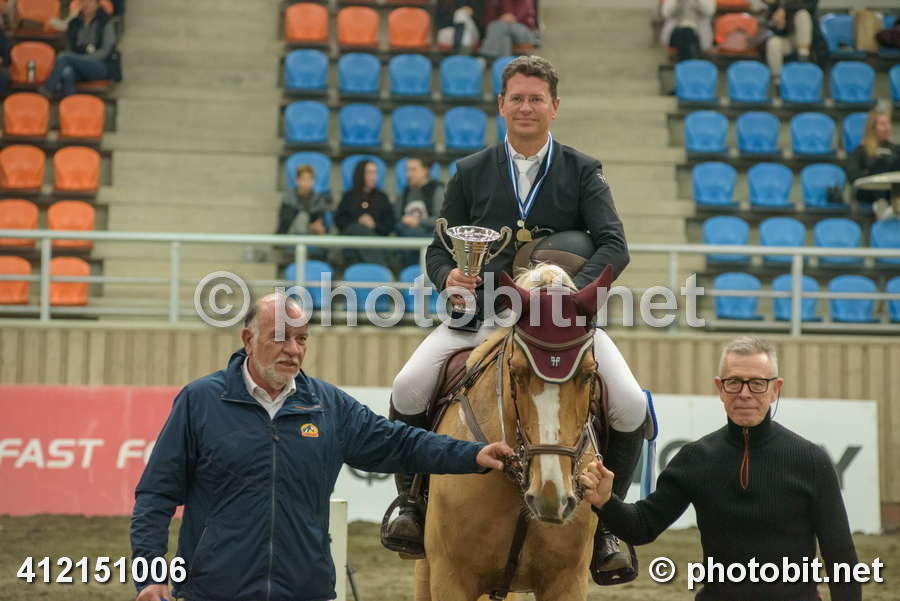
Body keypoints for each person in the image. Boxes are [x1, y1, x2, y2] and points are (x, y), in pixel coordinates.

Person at [384, 55, 648, 584]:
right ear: (502, 105)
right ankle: (411, 504)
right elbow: (437, 249)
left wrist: (569, 295)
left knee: (630, 404)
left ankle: (606, 526)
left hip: (560, 322)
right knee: (407, 387)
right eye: (518, 98)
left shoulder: (583, 170)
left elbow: (614, 245)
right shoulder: (471, 171)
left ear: (554, 106)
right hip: (485, 314)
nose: (527, 107)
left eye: (536, 99)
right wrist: (446, 277)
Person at [130, 293, 513, 601]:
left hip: (305, 590)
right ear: (248, 340)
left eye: (301, 339)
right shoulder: (200, 401)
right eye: (280, 337)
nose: (293, 350)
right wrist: (149, 576)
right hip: (212, 591)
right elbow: (156, 495)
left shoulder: (328, 406)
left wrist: (471, 454)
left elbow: (400, 442)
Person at [580, 336, 861, 601]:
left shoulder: (811, 461)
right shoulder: (695, 459)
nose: (744, 394)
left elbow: (840, 555)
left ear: (775, 389)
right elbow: (643, 526)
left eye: (757, 383)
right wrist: (606, 502)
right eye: (734, 382)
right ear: (720, 388)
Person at [38, 0, 119, 98]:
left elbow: (105, 51)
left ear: (97, 4)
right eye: (83, 2)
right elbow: (71, 49)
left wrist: (83, 59)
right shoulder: (74, 23)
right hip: (79, 64)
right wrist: (78, 60)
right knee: (67, 72)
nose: (86, 4)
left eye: (90, 2)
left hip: (101, 65)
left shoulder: (106, 22)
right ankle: (71, 103)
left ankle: (48, 89)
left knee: (64, 56)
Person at [334, 160, 395, 265]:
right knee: (357, 228)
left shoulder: (382, 197)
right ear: (360, 174)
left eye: (375, 173)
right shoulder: (349, 196)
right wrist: (359, 222)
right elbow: (339, 220)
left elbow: (389, 224)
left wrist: (374, 225)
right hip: (351, 243)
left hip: (377, 240)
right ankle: (380, 266)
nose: (373, 177)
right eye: (369, 173)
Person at [848, 108, 900, 220]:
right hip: (868, 191)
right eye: (883, 124)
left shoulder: (896, 150)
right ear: (872, 128)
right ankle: (882, 203)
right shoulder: (861, 151)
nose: (887, 127)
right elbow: (852, 176)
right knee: (883, 162)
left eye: (888, 123)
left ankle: (890, 205)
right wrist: (869, 173)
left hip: (891, 190)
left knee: (895, 161)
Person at [763, 1, 816, 85]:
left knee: (802, 14)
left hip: (805, 42)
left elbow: (809, 6)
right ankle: (777, 81)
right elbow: (773, 32)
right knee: (773, 43)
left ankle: (804, 56)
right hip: (788, 42)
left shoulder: (795, 4)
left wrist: (783, 8)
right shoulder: (771, 9)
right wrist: (778, 26)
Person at [276, 164, 330, 236]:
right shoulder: (289, 198)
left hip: (312, 234)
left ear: (314, 181)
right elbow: (285, 222)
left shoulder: (319, 198)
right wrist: (308, 225)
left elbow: (321, 220)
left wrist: (318, 226)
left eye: (309, 179)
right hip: (290, 233)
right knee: (302, 217)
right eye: (304, 179)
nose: (306, 182)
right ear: (297, 180)